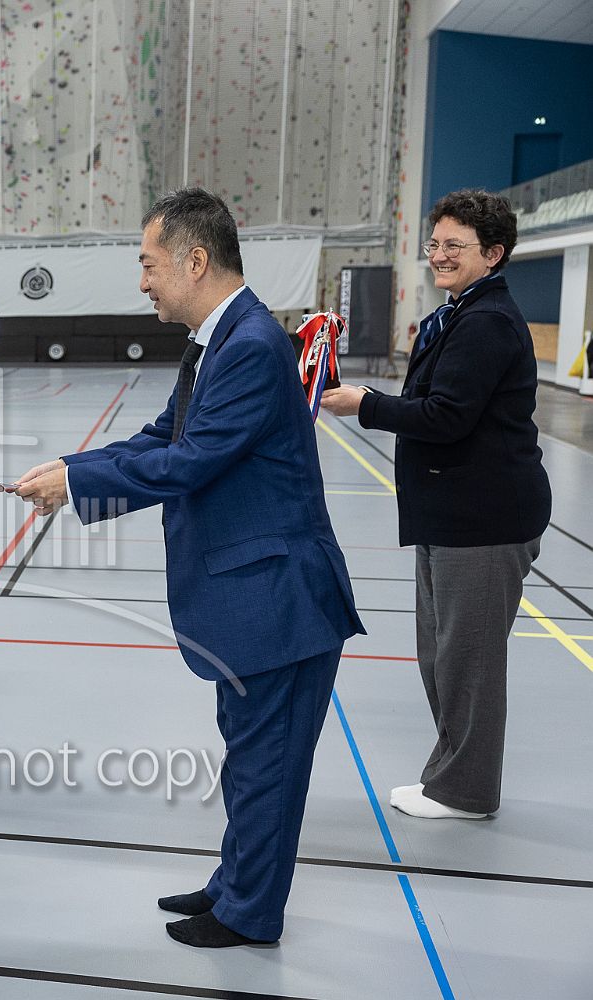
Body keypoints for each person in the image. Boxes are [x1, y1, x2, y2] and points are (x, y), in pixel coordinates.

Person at [13, 188, 364, 949]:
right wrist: (72, 468)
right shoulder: (219, 339)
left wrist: (76, 485)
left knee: (267, 767)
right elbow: (158, 437)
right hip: (251, 599)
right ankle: (235, 883)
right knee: (248, 759)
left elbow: (191, 461)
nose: (143, 281)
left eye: (149, 264)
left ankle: (250, 913)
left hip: (278, 600)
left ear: (195, 260)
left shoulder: (249, 346)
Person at [322, 188, 550, 820]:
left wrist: (365, 404)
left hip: (485, 520)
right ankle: (448, 779)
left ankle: (466, 792)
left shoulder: (487, 321)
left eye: (455, 245)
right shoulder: (458, 313)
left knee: (468, 663)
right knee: (442, 656)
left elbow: (447, 415)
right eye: (435, 243)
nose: (440, 255)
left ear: (493, 254)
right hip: (452, 516)